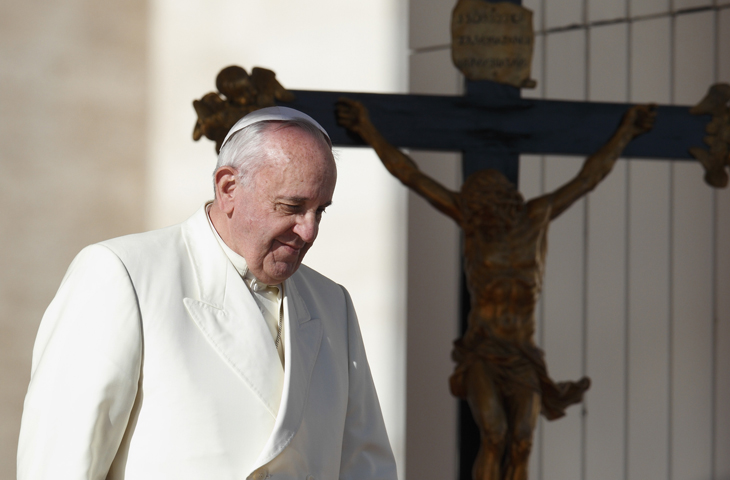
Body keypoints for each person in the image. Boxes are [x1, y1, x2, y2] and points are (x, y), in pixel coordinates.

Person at [18, 107, 397, 480]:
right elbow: (62, 464)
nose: (309, 231)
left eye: (321, 211)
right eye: (292, 206)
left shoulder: (333, 304)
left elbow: (365, 467)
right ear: (228, 187)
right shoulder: (122, 274)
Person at [336, 98, 656, 480]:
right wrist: (367, 130)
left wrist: (627, 132)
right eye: (476, 211)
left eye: (486, 210)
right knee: (495, 434)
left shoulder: (535, 218)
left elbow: (587, 179)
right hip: (483, 354)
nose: (481, 218)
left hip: (522, 354)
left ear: (501, 204)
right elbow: (411, 175)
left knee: (521, 439)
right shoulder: (472, 223)